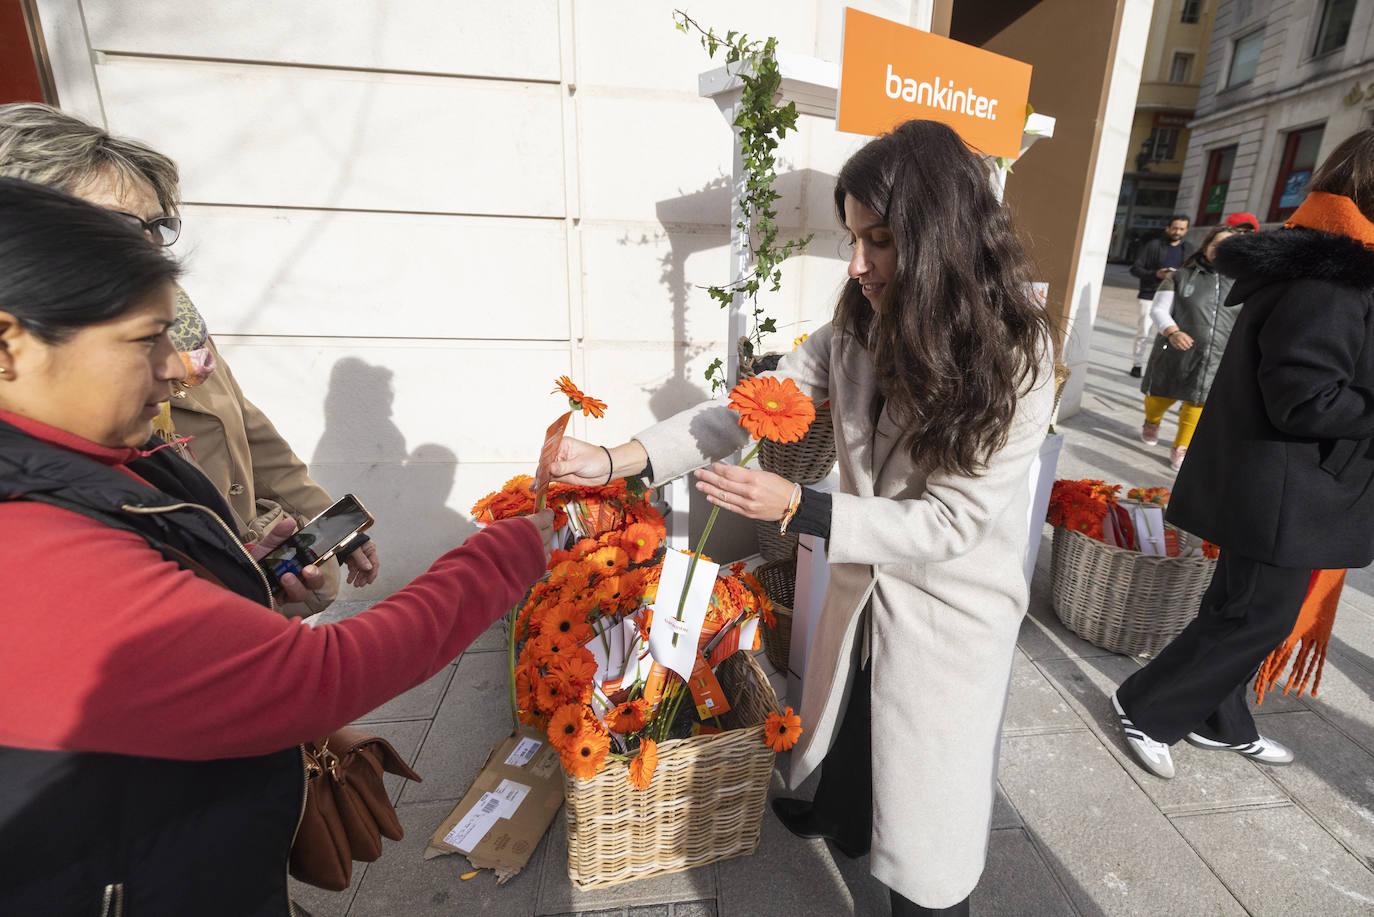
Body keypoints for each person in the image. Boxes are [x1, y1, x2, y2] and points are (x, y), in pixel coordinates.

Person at [0, 178, 552, 914]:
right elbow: (321, 677)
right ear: (10, 345)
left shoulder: (94, 458)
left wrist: (242, 589)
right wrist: (506, 553)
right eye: (143, 340)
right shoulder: (27, 540)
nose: (173, 367)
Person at [553, 120, 1054, 915]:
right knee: (851, 710)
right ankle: (837, 813)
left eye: (880, 241)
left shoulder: (1016, 362)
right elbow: (748, 412)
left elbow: (950, 525)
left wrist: (803, 506)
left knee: (928, 827)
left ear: (942, 239)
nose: (857, 266)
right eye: (854, 239)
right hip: (864, 577)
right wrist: (619, 459)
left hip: (947, 610)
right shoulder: (855, 329)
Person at [0, 102, 379, 615]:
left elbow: (249, 429)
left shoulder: (181, 324)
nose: (151, 249)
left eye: (156, 226)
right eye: (117, 226)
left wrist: (319, 524)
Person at [1112, 129, 1374, 780]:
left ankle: (1219, 717)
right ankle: (1145, 706)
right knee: (1258, 615)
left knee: (1240, 608)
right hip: (1287, 491)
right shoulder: (1334, 278)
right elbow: (1303, 397)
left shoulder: (1332, 264)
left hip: (1286, 486)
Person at [1139, 225, 1239, 470]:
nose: (1220, 250)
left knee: (1199, 401)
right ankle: (1152, 421)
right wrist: (1172, 331)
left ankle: (1181, 446)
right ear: (1206, 246)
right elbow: (1159, 309)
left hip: (1216, 354)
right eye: (1217, 244)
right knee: (1160, 396)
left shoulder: (1243, 283)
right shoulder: (1180, 276)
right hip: (1177, 349)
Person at [1128, 214, 1194, 377]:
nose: (1177, 231)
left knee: (1170, 334)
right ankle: (1137, 364)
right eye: (1175, 228)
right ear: (1168, 228)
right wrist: (1156, 274)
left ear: (1186, 230)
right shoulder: (1153, 246)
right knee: (1143, 331)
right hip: (1150, 294)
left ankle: (1162, 368)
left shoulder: (1189, 250)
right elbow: (1136, 269)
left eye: (1181, 229)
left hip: (1175, 298)